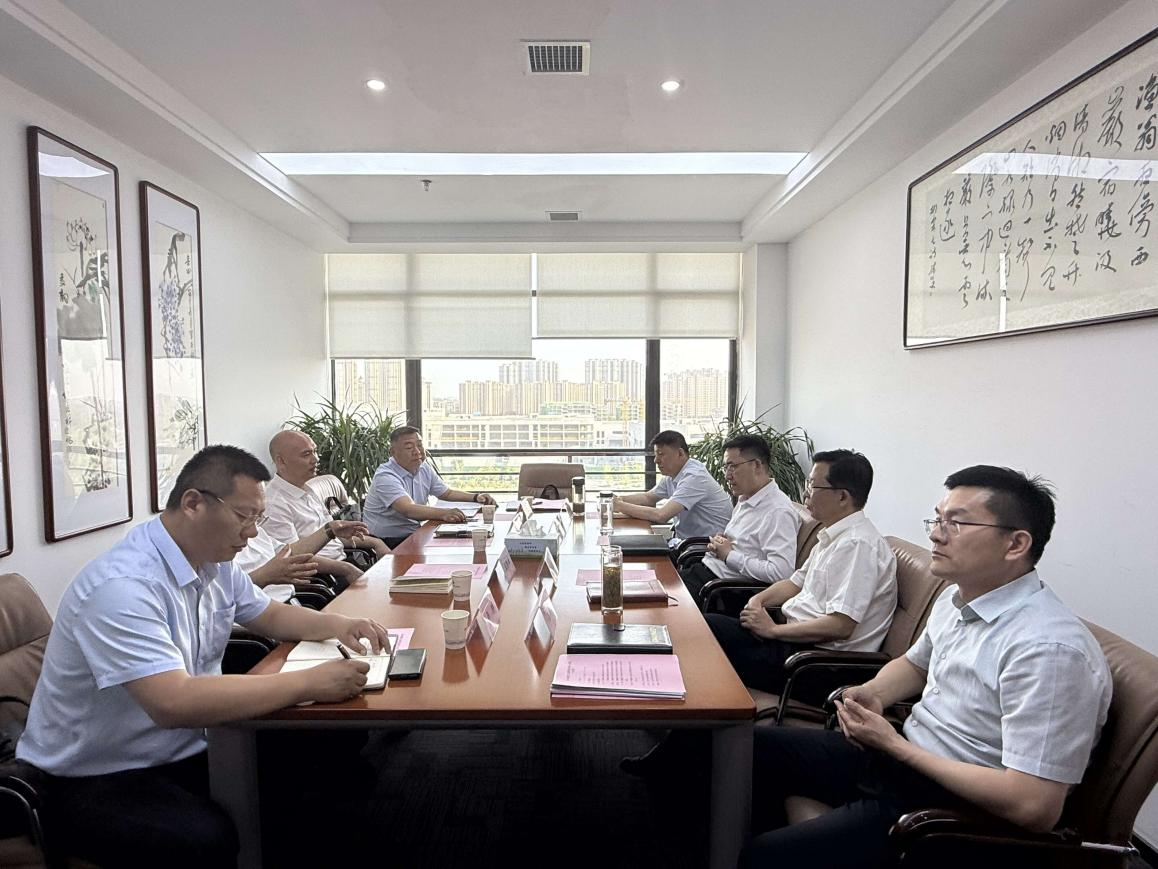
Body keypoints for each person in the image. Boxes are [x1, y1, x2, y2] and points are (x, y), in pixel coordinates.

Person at [16, 445, 391, 868]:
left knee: (325, 750)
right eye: (244, 516)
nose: (253, 533)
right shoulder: (122, 587)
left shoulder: (214, 561)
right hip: (95, 772)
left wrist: (339, 624)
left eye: (258, 518)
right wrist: (307, 682)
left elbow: (268, 614)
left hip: (191, 740)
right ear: (193, 503)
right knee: (205, 839)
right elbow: (173, 703)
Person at [738, 465, 1112, 869]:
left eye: (956, 523)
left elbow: (1033, 805)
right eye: (937, 519)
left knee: (764, 857)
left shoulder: (1050, 650)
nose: (936, 534)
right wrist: (873, 693)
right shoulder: (957, 599)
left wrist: (896, 746)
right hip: (901, 757)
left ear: (1016, 544)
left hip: (949, 809)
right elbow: (915, 666)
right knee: (746, 749)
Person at [705, 449, 897, 693]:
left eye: (813, 486)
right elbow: (794, 583)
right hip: (794, 643)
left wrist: (774, 631)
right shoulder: (833, 536)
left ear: (842, 497)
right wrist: (757, 601)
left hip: (817, 664)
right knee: (706, 628)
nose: (806, 492)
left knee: (708, 635)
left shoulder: (858, 545)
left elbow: (840, 625)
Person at [676, 434, 801, 605]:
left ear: (756, 465)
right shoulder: (746, 498)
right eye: (725, 467)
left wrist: (729, 555)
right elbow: (743, 545)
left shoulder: (777, 511)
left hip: (722, 591)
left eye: (732, 467)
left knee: (658, 601)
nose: (727, 475)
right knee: (654, 584)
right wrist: (721, 543)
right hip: (706, 572)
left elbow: (780, 573)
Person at [264, 430, 390, 589]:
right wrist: (346, 568)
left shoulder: (307, 489)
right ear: (281, 461)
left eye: (315, 451)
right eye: (306, 454)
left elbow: (333, 535)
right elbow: (291, 558)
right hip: (321, 579)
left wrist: (376, 542)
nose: (315, 459)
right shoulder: (274, 503)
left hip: (342, 563)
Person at [362, 426, 497, 547]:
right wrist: (444, 513)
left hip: (413, 533)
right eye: (409, 447)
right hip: (387, 540)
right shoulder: (385, 476)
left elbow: (446, 493)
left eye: (419, 445)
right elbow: (407, 509)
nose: (417, 451)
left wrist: (476, 497)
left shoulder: (423, 467)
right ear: (392, 452)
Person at [612, 430, 733, 543]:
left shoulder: (695, 477)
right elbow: (648, 498)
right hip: (687, 542)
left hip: (706, 547)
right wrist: (614, 499)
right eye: (655, 455)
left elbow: (661, 515)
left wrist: (620, 505)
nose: (656, 460)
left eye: (661, 454)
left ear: (680, 453)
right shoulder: (673, 475)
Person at [235, 517, 375, 603]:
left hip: (287, 606)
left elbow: (289, 554)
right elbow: (228, 594)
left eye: (257, 518)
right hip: (257, 631)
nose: (255, 531)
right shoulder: (223, 549)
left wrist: (330, 530)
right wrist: (263, 576)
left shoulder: (255, 529)